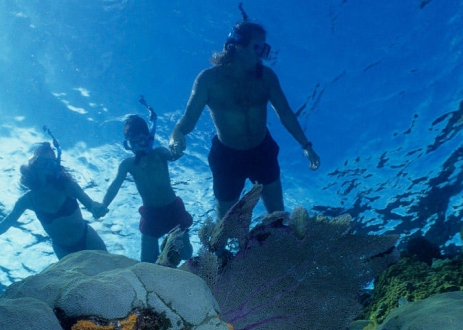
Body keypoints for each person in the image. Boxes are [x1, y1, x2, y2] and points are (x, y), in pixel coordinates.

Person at [169, 18, 320, 220]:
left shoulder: (267, 78)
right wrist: (176, 134)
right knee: (225, 218)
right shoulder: (208, 79)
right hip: (227, 157)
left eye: (265, 49)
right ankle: (220, 251)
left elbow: (285, 112)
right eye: (258, 48)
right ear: (238, 46)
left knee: (277, 213)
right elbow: (188, 118)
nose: (262, 56)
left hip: (262, 150)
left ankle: (278, 243)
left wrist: (306, 144)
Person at [0, 142, 107, 260]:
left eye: (51, 163)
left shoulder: (68, 186)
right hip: (62, 249)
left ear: (56, 165)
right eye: (42, 162)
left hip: (87, 238)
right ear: (33, 165)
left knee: (113, 277)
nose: (47, 167)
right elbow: (3, 226)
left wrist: (97, 208)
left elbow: (91, 204)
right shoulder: (27, 200)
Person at [96, 114, 193, 264]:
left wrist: (177, 146)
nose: (136, 148)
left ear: (148, 137)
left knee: (186, 254)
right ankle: (165, 251)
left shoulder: (159, 153)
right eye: (131, 144)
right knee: (146, 262)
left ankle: (168, 245)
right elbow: (115, 186)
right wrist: (104, 204)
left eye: (139, 141)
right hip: (151, 215)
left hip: (173, 209)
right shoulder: (128, 164)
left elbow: (173, 155)